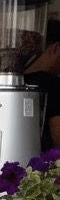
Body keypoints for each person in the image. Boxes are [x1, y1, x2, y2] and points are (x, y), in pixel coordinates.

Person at [26, 17, 60, 150]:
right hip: (45, 167)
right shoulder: (54, 85)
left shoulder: (15, 83)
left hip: (14, 166)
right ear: (56, 48)